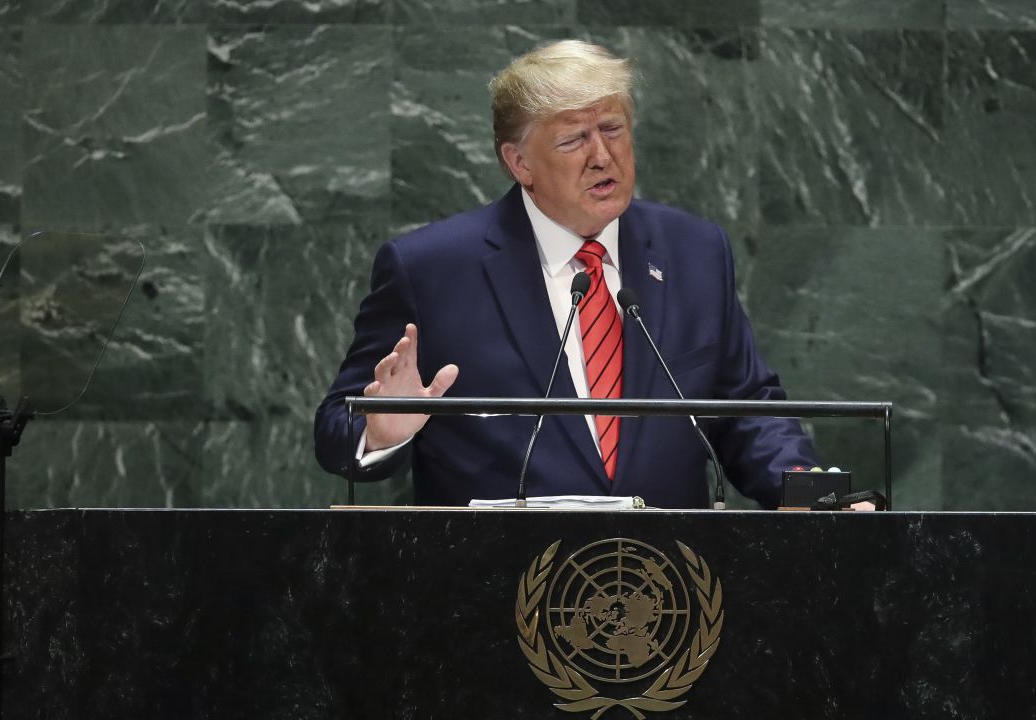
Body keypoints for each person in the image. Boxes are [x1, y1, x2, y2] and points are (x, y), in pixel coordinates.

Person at [313, 40, 819, 509]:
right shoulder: (431, 268)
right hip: (490, 583)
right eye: (574, 139)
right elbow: (336, 429)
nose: (603, 156)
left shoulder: (695, 251)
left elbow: (746, 408)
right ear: (520, 163)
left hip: (669, 586)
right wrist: (381, 431)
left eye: (613, 129)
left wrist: (813, 495)